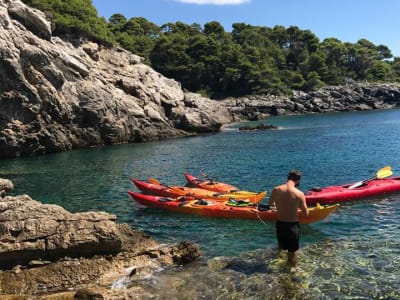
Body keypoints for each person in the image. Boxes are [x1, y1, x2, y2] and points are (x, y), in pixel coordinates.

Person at [268, 169, 309, 267]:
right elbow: (305, 214)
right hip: (292, 226)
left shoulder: (276, 189)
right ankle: (290, 273)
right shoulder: (299, 194)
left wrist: (277, 207)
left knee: (280, 247)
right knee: (292, 253)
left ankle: (276, 264)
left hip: (280, 224)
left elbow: (270, 204)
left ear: (287, 178)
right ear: (298, 180)